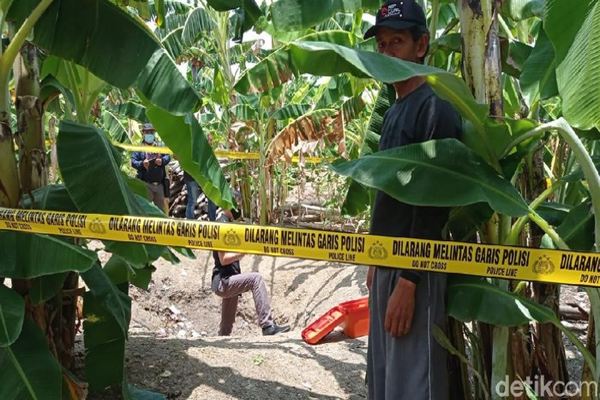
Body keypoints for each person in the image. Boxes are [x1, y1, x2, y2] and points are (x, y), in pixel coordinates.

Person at [363, 1, 462, 399]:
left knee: (413, 380)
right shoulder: (395, 110)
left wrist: (409, 279)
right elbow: (388, 194)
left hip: (413, 269)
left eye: (397, 42)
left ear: (421, 46)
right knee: (387, 376)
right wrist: (374, 256)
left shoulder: (436, 109)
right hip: (387, 262)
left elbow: (434, 203)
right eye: (382, 45)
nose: (387, 53)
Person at [211, 207, 290, 336]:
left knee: (226, 328)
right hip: (223, 282)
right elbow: (223, 259)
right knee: (256, 279)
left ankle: (220, 341)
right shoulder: (221, 225)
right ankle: (267, 325)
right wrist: (243, 252)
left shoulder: (227, 223)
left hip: (228, 279)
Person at [131, 123, 171, 213]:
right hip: (145, 185)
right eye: (147, 132)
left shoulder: (160, 146)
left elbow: (168, 157)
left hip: (159, 185)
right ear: (143, 133)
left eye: (152, 132)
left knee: (162, 212)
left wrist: (162, 161)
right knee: (144, 211)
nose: (150, 134)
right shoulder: (139, 148)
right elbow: (133, 162)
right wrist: (142, 164)